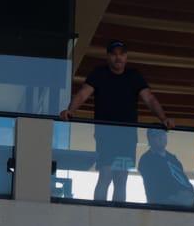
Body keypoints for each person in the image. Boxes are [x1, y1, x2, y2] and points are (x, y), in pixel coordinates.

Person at [59, 40, 171, 204]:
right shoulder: (99, 73)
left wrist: (164, 118)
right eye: (114, 54)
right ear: (108, 57)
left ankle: (117, 215)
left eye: (121, 54)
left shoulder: (134, 76)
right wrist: (71, 110)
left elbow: (149, 99)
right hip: (106, 134)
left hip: (127, 136)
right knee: (105, 175)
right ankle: (98, 212)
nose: (118, 58)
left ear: (126, 57)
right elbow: (83, 94)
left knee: (121, 179)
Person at [138, 128, 194, 208]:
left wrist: (189, 192)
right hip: (164, 202)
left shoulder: (173, 158)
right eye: (157, 135)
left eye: (163, 134)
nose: (161, 137)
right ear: (150, 139)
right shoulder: (146, 159)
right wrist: (178, 194)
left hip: (186, 198)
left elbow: (184, 180)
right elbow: (155, 185)